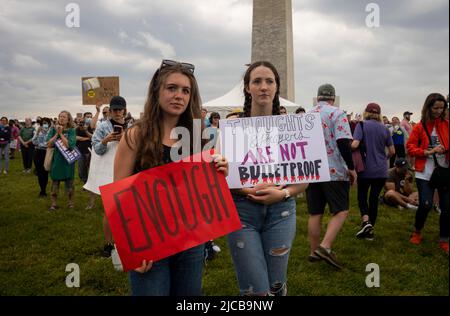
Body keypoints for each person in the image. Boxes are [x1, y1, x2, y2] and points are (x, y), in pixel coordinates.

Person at [115, 59, 228, 296]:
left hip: (191, 241)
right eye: (172, 88)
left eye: (186, 90)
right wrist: (131, 248)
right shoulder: (136, 135)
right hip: (149, 244)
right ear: (156, 92)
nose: (179, 95)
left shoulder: (199, 138)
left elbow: (205, 190)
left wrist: (220, 169)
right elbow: (120, 196)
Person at [227, 61, 307, 296]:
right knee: (255, 291)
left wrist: (282, 193)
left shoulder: (292, 128)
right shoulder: (233, 127)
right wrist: (246, 191)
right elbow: (222, 176)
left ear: (276, 88)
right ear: (247, 88)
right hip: (242, 214)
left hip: (281, 213)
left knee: (276, 285)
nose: (263, 87)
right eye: (257, 81)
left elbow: (305, 177)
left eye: (269, 81)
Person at [307, 83, 356, 270]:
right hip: (334, 169)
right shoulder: (337, 113)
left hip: (313, 168)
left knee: (315, 212)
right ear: (333, 98)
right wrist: (351, 167)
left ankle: (313, 251)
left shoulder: (307, 114)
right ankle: (325, 246)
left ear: (317, 97)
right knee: (341, 210)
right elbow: (343, 141)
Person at [406, 93, 449, 254]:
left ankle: (444, 239)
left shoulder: (447, 125)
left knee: (447, 207)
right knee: (425, 204)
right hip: (425, 172)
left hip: (444, 172)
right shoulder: (419, 126)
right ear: (428, 107)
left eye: (442, 107)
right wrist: (428, 152)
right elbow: (410, 147)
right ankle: (417, 231)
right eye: (435, 107)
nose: (439, 111)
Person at [352, 103, 395, 240]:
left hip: (365, 169)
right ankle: (370, 232)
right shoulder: (385, 129)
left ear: (366, 112)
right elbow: (392, 151)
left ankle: (366, 222)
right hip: (381, 170)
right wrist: (383, 158)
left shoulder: (362, 125)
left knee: (362, 197)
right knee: (374, 199)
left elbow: (355, 144)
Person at [91, 96, 128, 258]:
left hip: (128, 170)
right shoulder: (102, 127)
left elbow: (140, 147)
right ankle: (108, 244)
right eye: (115, 109)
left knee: (128, 211)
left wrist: (126, 138)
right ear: (110, 110)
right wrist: (105, 141)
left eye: (120, 109)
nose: (118, 112)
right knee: (110, 210)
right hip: (108, 172)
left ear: (125, 110)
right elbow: (97, 150)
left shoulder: (132, 126)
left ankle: (126, 242)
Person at [46, 111, 77, 210]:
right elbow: (49, 144)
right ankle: (54, 204)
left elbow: (70, 145)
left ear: (68, 119)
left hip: (68, 161)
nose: (61, 118)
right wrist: (56, 134)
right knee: (54, 184)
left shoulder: (71, 130)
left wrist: (61, 134)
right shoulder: (53, 129)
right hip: (57, 161)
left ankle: (70, 203)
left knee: (70, 183)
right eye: (60, 116)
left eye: (64, 117)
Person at [75, 116, 96, 209]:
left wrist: (86, 131)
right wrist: (87, 138)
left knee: (90, 170)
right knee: (80, 170)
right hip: (79, 151)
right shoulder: (76, 129)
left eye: (83, 123)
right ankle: (85, 181)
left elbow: (93, 137)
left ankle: (88, 185)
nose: (82, 124)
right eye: (80, 122)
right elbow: (76, 138)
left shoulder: (90, 129)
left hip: (89, 152)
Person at [32, 117, 52, 197]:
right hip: (38, 152)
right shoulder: (38, 131)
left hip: (47, 152)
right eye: (43, 123)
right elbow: (33, 141)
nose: (45, 125)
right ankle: (42, 190)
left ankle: (45, 187)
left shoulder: (51, 131)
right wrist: (37, 133)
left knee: (45, 171)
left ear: (49, 124)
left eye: (46, 123)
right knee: (40, 172)